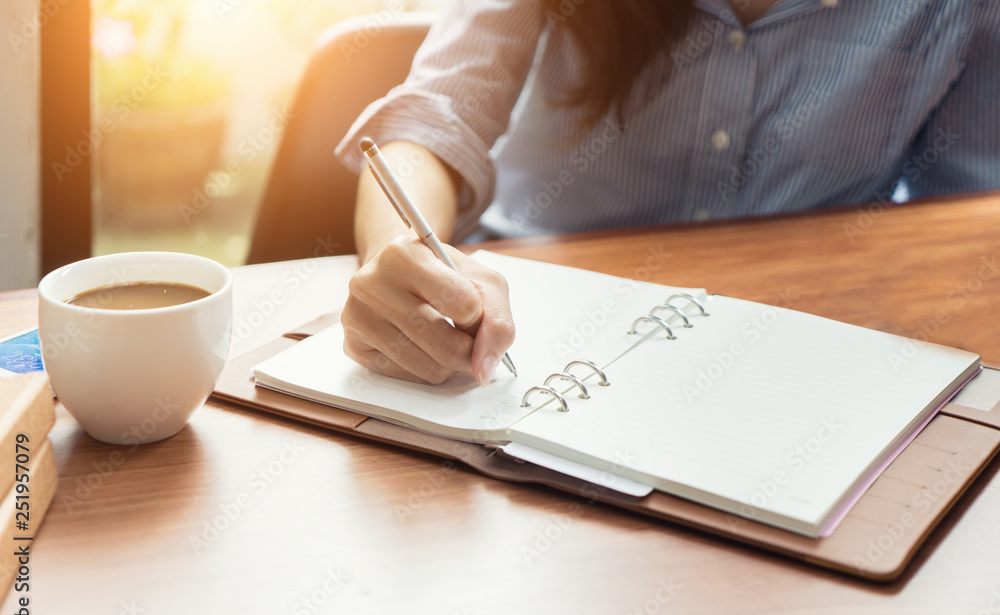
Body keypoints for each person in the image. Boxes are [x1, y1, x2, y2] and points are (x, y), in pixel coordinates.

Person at [333, 0, 999, 386]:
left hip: (794, 355)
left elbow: (964, 228)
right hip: (529, 328)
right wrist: (398, 248)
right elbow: (436, 115)